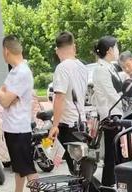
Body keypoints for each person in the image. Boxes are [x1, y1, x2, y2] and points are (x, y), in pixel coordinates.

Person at [0, 36, 43, 192]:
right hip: (12, 126)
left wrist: (2, 94)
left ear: (6, 51)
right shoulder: (14, 71)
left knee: (26, 165)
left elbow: (5, 99)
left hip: (19, 127)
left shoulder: (22, 72)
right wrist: (3, 94)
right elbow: (3, 93)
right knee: (18, 164)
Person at [48, 31, 88, 173]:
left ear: (57, 50)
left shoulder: (62, 68)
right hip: (81, 124)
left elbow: (60, 97)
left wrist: (54, 125)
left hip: (68, 125)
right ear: (74, 47)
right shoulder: (82, 67)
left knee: (74, 169)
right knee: (81, 168)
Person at [92, 36, 123, 186]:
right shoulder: (101, 69)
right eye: (116, 47)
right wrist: (125, 102)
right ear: (110, 50)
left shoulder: (110, 67)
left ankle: (113, 181)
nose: (118, 50)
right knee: (112, 151)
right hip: (110, 114)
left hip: (115, 112)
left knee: (115, 149)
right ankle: (109, 183)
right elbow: (111, 93)